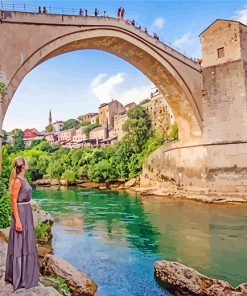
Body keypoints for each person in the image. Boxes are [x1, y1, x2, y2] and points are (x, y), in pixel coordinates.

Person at [5, 157, 40, 291]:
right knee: (20, 244)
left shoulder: (23, 179)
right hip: (20, 213)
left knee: (27, 243)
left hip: (26, 212)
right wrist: (18, 221)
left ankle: (27, 275)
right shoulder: (17, 182)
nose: (28, 164)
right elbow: (13, 202)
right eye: (26, 162)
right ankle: (19, 278)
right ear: (23, 166)